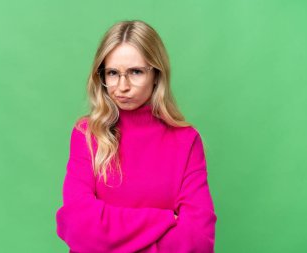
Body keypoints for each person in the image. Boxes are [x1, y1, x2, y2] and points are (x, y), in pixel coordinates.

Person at [55, 20, 217, 253]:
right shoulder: (86, 135)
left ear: (156, 75)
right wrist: (165, 220)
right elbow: (80, 227)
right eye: (112, 73)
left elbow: (198, 240)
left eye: (136, 72)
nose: (122, 86)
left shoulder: (187, 140)